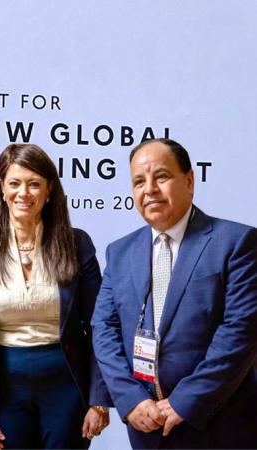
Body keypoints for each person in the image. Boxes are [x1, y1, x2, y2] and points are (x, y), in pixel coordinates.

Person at [92, 138, 257, 449]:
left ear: (189, 181)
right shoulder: (120, 252)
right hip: (146, 425)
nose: (149, 189)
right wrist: (131, 400)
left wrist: (185, 400)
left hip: (217, 424)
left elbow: (240, 332)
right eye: (139, 182)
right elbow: (104, 329)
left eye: (162, 176)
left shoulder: (236, 242)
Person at [0, 143, 110, 449]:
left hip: (67, 386)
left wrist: (99, 399)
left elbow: (100, 326)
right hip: (5, 389)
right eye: (14, 183)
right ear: (1, 188)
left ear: (49, 189)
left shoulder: (77, 245)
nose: (23, 193)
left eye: (34, 184)